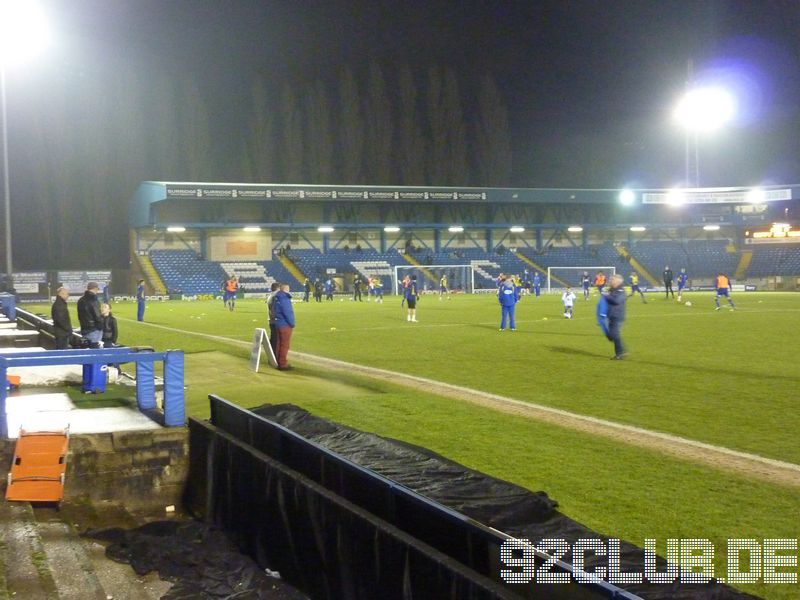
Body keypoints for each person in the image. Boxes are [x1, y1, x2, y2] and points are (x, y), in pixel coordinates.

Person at [604, 274, 628, 359]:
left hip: (617, 316)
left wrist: (607, 296)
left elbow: (616, 301)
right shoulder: (612, 290)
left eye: (612, 280)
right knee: (611, 335)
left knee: (614, 334)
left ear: (618, 281)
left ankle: (620, 353)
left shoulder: (621, 290)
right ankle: (622, 350)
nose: (610, 281)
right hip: (611, 315)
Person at [273, 283, 295, 370]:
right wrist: (292, 323)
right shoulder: (284, 298)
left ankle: (277, 361)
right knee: (284, 345)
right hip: (285, 324)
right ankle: (282, 364)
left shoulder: (277, 298)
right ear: (286, 289)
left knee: (279, 344)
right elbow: (288, 312)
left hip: (278, 323)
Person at [78, 282, 104, 348]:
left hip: (84, 329)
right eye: (97, 289)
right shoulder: (94, 299)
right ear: (95, 288)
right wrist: (102, 325)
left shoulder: (80, 300)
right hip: (94, 330)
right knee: (95, 353)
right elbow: (97, 316)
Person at [265, 282, 280, 355]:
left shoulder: (270, 296)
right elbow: (275, 309)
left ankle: (271, 355)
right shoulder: (275, 296)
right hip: (275, 321)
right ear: (277, 288)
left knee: (273, 338)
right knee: (275, 340)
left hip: (271, 320)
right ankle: (274, 357)